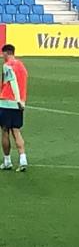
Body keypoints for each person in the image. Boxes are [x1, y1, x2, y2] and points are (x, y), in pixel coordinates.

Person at [0, 44, 28, 172]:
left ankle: (7, 161)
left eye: (3, 54)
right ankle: (23, 159)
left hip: (7, 102)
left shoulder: (7, 66)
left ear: (7, 53)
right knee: (16, 131)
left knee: (5, 131)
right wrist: (21, 101)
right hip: (19, 103)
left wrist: (16, 99)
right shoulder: (22, 66)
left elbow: (13, 82)